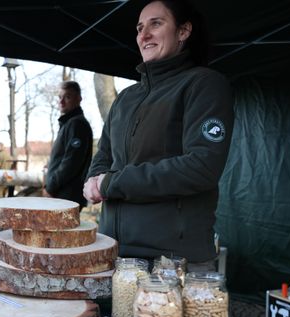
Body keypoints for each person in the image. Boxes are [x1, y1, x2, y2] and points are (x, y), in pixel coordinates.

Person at [83, 0, 234, 272]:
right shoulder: (125, 98)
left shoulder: (204, 84)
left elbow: (201, 167)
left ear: (183, 31)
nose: (144, 35)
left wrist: (113, 183)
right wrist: (93, 181)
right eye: (140, 28)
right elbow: (104, 155)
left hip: (172, 262)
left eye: (156, 24)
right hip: (113, 254)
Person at [43, 81, 93, 210]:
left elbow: (71, 163)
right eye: (60, 97)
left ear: (79, 98)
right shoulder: (68, 124)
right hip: (63, 196)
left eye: (67, 97)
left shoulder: (77, 124)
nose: (61, 101)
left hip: (67, 197)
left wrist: (50, 188)